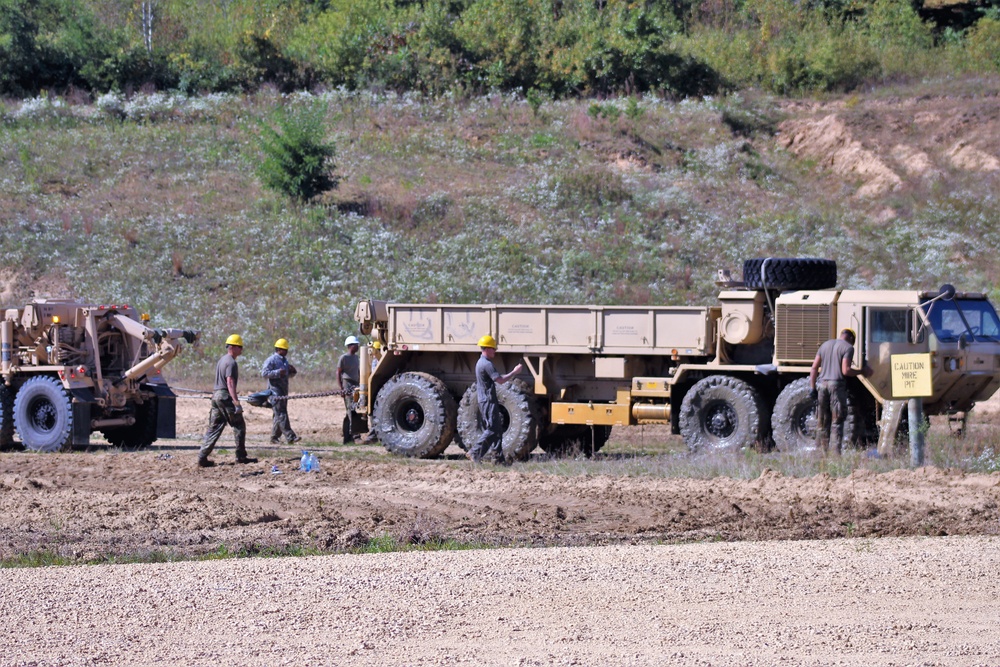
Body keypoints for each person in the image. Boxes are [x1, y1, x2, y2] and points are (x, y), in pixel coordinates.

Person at [809, 328, 873, 455]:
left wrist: (812, 388)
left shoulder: (824, 345)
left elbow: (814, 367)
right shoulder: (848, 348)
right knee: (837, 420)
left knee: (822, 420)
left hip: (821, 385)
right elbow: (846, 370)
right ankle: (836, 453)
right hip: (836, 386)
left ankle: (821, 452)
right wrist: (862, 371)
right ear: (850, 339)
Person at [198, 334, 256, 467]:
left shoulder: (222, 360)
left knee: (214, 428)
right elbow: (230, 382)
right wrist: (236, 402)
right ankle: (241, 457)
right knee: (239, 425)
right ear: (233, 347)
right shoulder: (231, 362)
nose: (241, 349)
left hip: (216, 396)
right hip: (224, 396)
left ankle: (202, 457)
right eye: (240, 347)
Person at [467, 334, 524, 464]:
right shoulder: (487, 364)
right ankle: (475, 452)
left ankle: (498, 459)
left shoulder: (481, 362)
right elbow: (500, 380)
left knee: (497, 430)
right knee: (492, 429)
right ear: (487, 348)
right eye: (493, 348)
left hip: (486, 399)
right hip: (487, 400)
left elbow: (497, 377)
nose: (495, 351)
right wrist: (514, 372)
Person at [261, 338, 300, 445]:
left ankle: (274, 437)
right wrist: (277, 372)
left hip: (283, 391)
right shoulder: (271, 360)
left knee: (278, 414)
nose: (286, 352)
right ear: (278, 349)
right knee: (281, 413)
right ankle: (290, 436)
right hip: (275, 392)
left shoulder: (284, 361)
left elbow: (287, 375)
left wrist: (292, 372)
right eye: (284, 349)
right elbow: (264, 373)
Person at [337, 335, 361, 444]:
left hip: (355, 384)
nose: (357, 347)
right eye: (356, 345)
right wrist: (341, 388)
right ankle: (356, 436)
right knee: (351, 409)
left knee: (351, 411)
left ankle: (347, 437)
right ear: (350, 346)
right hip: (347, 384)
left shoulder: (356, 358)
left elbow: (358, 371)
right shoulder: (344, 358)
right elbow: (338, 372)